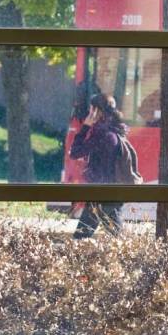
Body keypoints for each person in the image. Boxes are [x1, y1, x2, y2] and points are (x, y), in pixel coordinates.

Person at [70, 93, 128, 239]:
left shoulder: (102, 135)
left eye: (91, 110)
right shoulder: (115, 131)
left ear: (97, 111)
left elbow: (75, 152)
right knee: (116, 239)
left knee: (82, 238)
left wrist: (84, 128)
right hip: (109, 192)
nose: (89, 114)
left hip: (102, 194)